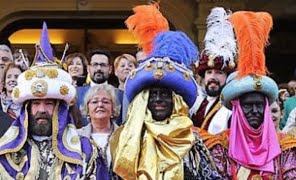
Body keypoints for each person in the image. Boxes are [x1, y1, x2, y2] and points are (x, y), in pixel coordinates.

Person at [111, 3, 221, 179]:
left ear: (175, 101)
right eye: (153, 94)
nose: (159, 99)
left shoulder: (192, 139)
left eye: (165, 95)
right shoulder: (128, 136)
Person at [197, 10, 296, 179]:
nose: (255, 110)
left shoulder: (286, 148)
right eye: (247, 106)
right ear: (236, 109)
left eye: (259, 105)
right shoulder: (220, 147)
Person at [0, 22, 97, 179]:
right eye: (36, 103)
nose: (42, 109)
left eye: (49, 103)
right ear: (26, 109)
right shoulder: (6, 153)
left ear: (61, 108)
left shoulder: (85, 149)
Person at [191, 7, 236, 134]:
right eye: (209, 72)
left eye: (219, 73)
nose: (213, 77)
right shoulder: (197, 104)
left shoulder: (232, 108)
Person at [77, 84, 120, 179]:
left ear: (113, 109)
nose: (100, 105)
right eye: (94, 102)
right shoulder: (76, 137)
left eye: (105, 102)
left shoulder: (124, 135)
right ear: (87, 109)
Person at [76, 48, 123, 126]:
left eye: (103, 65)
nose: (98, 68)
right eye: (95, 64)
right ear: (88, 68)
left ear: (110, 69)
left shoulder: (120, 95)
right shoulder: (76, 94)